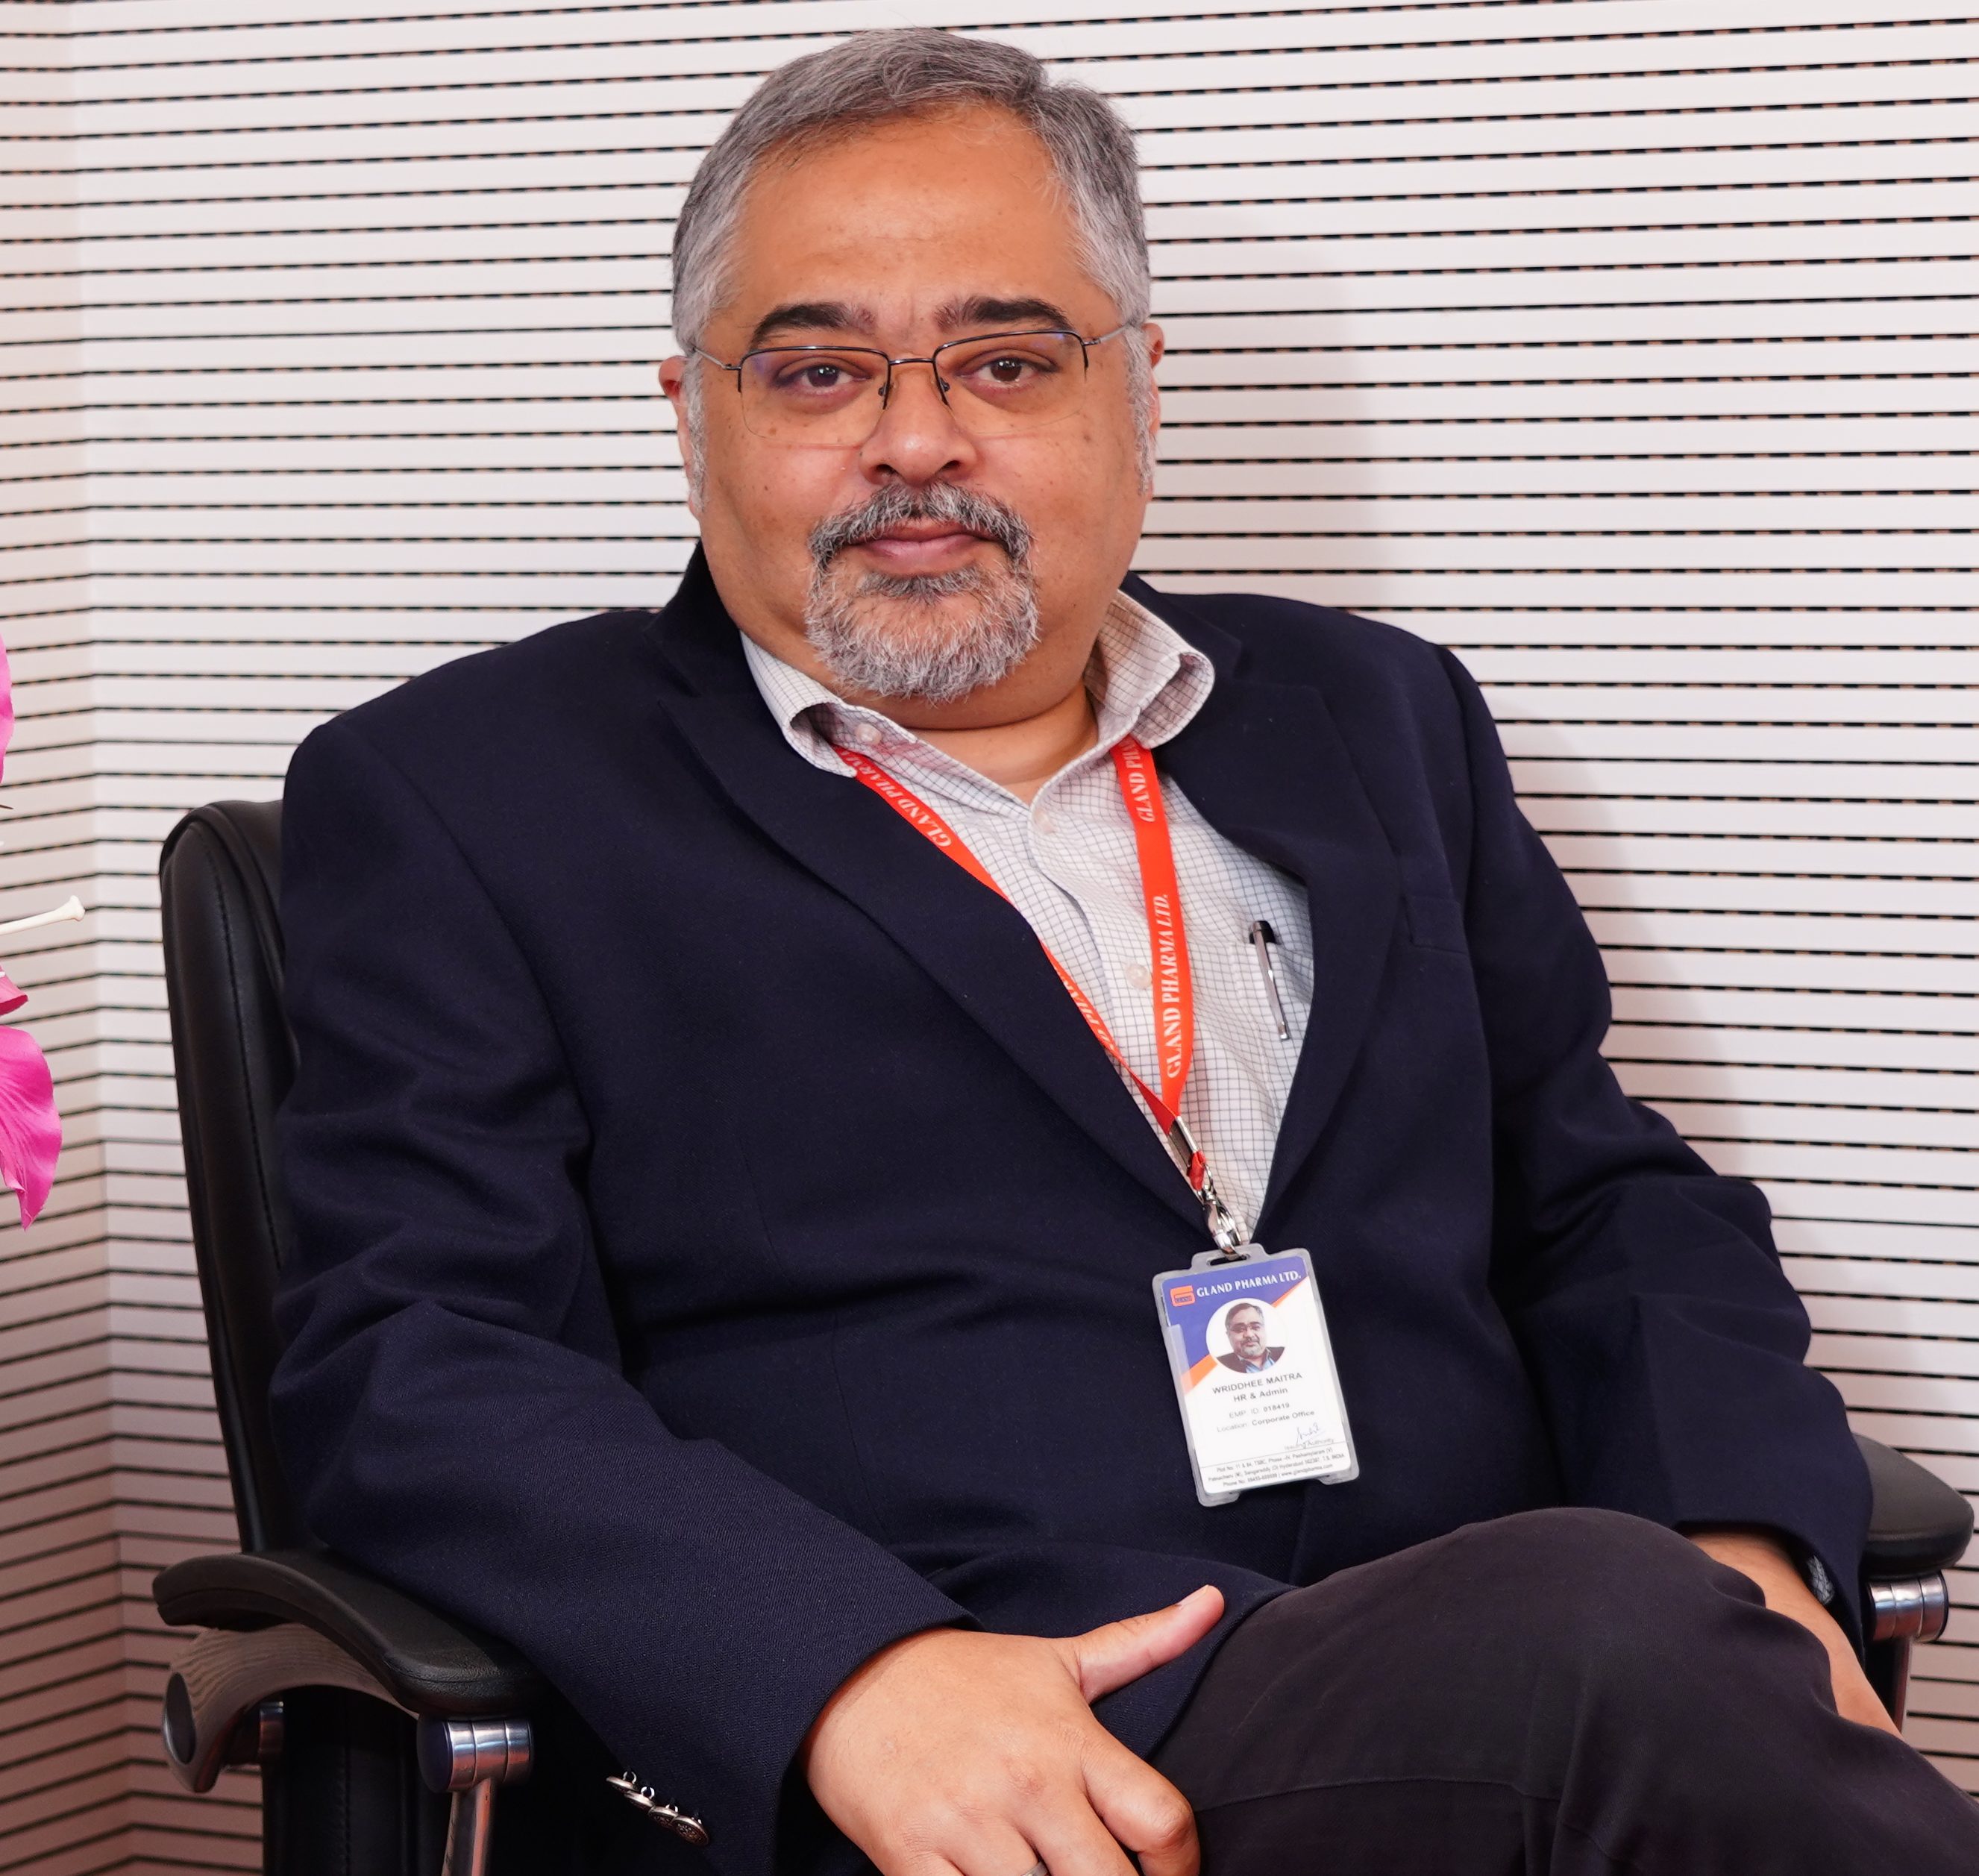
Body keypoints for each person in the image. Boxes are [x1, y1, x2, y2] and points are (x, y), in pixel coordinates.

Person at [267, 28, 1979, 1876]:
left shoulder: (1374, 715)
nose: (915, 439)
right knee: (1602, 1632)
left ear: (1138, 391)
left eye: (1005, 361)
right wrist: (849, 1673)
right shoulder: (468, 794)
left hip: (1519, 1678)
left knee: (1619, 1627)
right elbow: (418, 1360)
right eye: (818, 370)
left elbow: (1600, 1198)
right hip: (997, 1745)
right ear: (695, 417)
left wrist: (1742, 1548)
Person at [1214, 1305, 1281, 1374]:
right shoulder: (1217, 1367)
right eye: (1240, 1329)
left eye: (1255, 1327)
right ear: (1229, 1335)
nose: (1249, 1335)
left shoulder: (1284, 1353)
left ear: (1264, 1329)